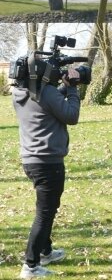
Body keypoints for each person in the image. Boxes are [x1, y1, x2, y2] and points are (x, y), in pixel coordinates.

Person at [13, 62, 81, 278]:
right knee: (44, 214)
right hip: (48, 162)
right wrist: (71, 88)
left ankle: (46, 252)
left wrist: (60, 88)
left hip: (31, 160)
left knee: (47, 209)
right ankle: (30, 266)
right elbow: (71, 116)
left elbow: (48, 103)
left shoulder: (20, 93)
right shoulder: (47, 93)